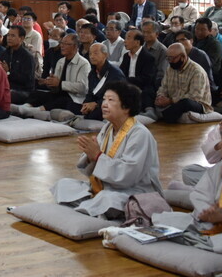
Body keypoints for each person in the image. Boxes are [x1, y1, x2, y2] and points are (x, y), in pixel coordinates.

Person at [51, 81, 162, 218]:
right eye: (104, 99)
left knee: (108, 200)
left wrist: (97, 156)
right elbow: (91, 168)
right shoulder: (107, 128)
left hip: (135, 191)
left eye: (110, 100)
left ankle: (91, 207)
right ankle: (92, 207)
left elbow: (128, 176)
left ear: (126, 107)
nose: (104, 104)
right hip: (106, 187)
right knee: (63, 184)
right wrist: (90, 156)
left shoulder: (140, 134)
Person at [26, 33, 89, 116]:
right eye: (61, 43)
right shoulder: (61, 61)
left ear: (75, 46)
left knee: (62, 100)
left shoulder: (83, 63)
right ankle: (25, 107)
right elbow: (56, 85)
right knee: (36, 93)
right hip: (59, 93)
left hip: (74, 99)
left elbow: (83, 87)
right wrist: (49, 83)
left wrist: (60, 83)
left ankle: (36, 110)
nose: (62, 46)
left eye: (66, 44)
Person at [154, 43, 213, 123]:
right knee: (149, 90)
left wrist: (170, 101)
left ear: (183, 57)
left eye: (172, 58)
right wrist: (160, 96)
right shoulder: (170, 68)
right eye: (168, 58)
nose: (170, 61)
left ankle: (162, 115)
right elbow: (163, 86)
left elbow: (194, 97)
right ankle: (157, 113)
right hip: (173, 101)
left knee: (186, 103)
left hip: (197, 104)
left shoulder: (197, 71)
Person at [80, 42, 126, 121]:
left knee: (94, 114)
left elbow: (117, 96)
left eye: (95, 53)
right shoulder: (92, 73)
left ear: (105, 55)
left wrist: (97, 104)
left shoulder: (115, 73)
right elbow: (91, 93)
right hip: (98, 104)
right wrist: (86, 104)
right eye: (90, 53)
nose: (92, 56)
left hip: (113, 104)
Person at [120, 28, 158, 110]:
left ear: (137, 42)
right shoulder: (126, 56)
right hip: (127, 85)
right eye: (125, 38)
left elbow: (147, 79)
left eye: (128, 38)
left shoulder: (148, 57)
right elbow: (121, 73)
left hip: (142, 87)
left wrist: (127, 80)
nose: (124, 41)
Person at [1, 26, 37, 105]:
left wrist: (8, 72)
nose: (9, 38)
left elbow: (27, 80)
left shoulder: (27, 57)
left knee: (5, 94)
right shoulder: (5, 53)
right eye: (8, 35)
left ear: (21, 38)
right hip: (6, 87)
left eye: (13, 36)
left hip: (23, 91)